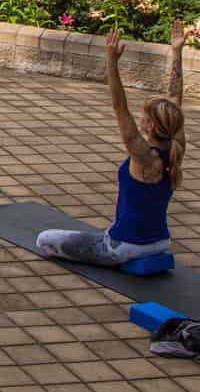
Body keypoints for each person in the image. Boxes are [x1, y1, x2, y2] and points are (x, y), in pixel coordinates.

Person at [35, 22, 188, 267]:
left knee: (45, 239)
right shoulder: (175, 146)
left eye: (144, 116)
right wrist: (177, 52)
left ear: (150, 126)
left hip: (125, 246)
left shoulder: (144, 157)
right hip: (161, 241)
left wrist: (112, 62)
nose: (139, 117)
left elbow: (120, 107)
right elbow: (175, 101)